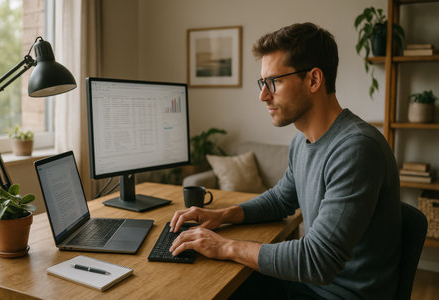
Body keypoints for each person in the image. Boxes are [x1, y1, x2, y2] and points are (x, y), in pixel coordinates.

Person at [169, 22, 401, 299]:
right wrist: (222, 216)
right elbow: (281, 199)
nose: (262, 95)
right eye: (262, 82)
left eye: (273, 82)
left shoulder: (356, 149)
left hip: (340, 294)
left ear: (314, 80)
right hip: (315, 285)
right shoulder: (302, 141)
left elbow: (318, 261)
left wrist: (225, 246)